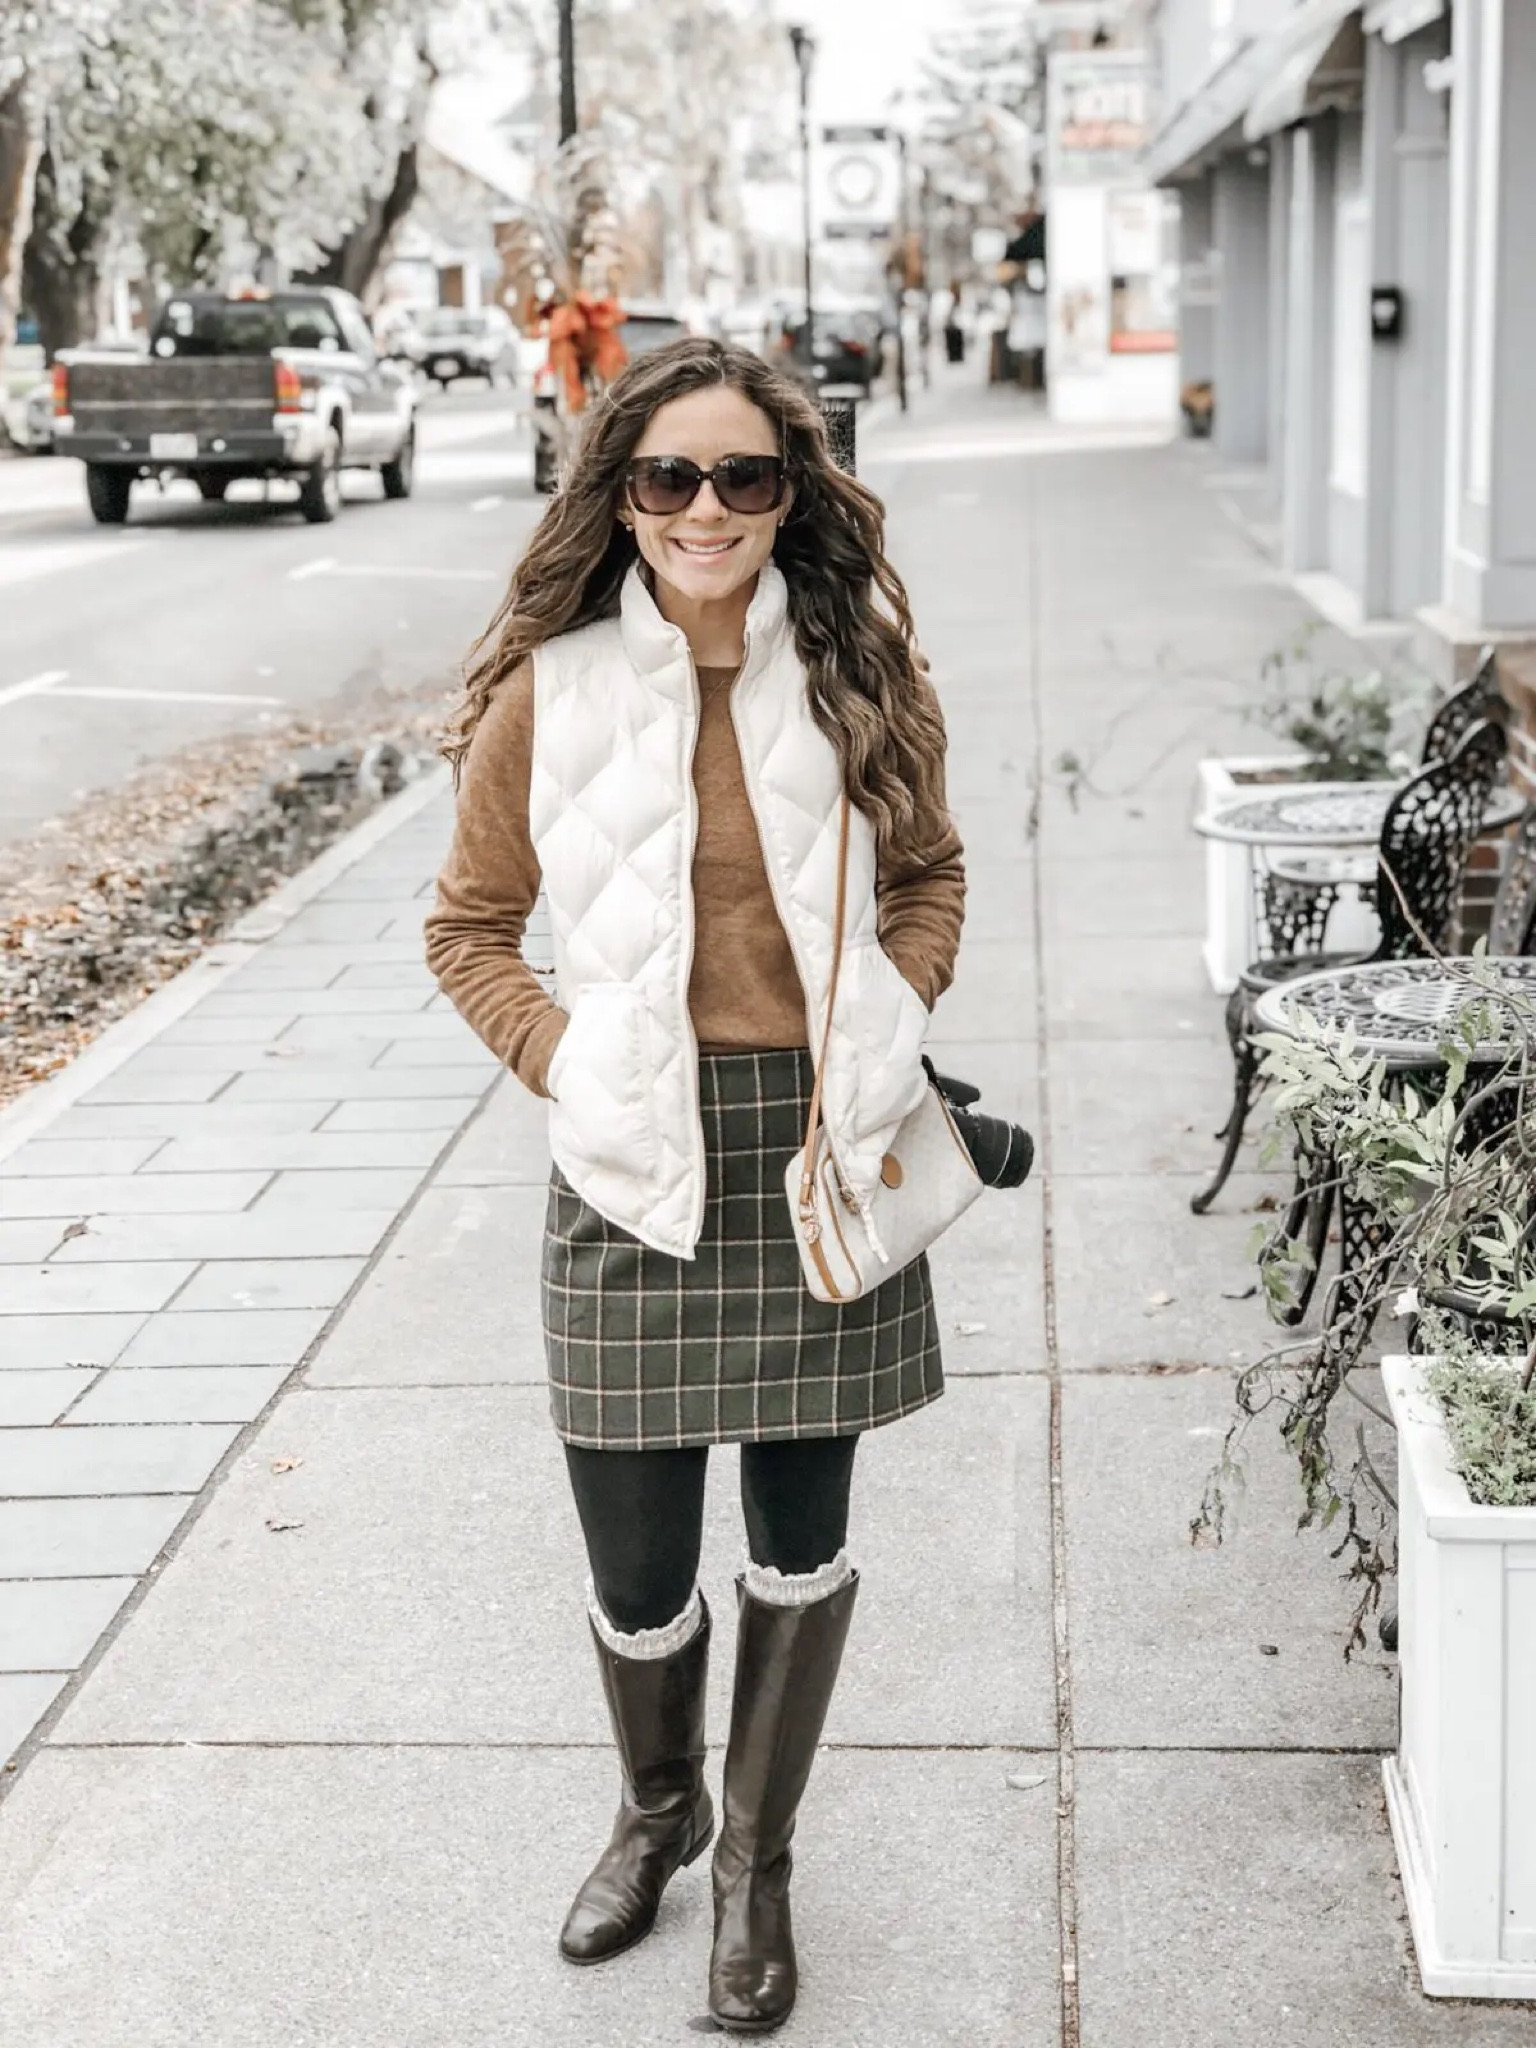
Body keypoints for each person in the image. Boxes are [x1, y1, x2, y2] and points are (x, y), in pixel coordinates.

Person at [425, 336, 964, 2034]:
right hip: (629, 1156)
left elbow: (930, 876)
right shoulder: (555, 692)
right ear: (623, 497)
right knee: (640, 1570)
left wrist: (892, 1015)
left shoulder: (862, 670)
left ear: (789, 494)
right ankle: (655, 1814)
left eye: (744, 475)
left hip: (818, 1153)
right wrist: (567, 1062)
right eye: (671, 476)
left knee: (800, 1544)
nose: (706, 507)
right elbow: (467, 929)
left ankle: (754, 1864)